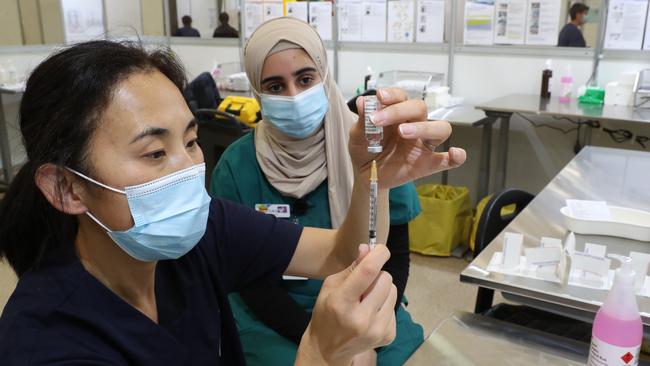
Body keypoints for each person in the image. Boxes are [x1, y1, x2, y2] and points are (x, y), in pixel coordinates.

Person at [0, 40, 466, 365]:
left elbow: (339, 253)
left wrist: (373, 180)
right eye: (155, 153)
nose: (187, 171)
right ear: (67, 188)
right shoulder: (45, 343)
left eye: (191, 141)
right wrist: (321, 354)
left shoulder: (204, 231)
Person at [212, 18, 423, 366]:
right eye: (275, 86)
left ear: (324, 76)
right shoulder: (237, 167)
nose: (294, 96)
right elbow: (249, 281)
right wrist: (329, 340)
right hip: (276, 320)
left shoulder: (373, 149)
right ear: (257, 93)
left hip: (367, 302)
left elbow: (395, 254)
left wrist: (364, 329)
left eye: (305, 79)